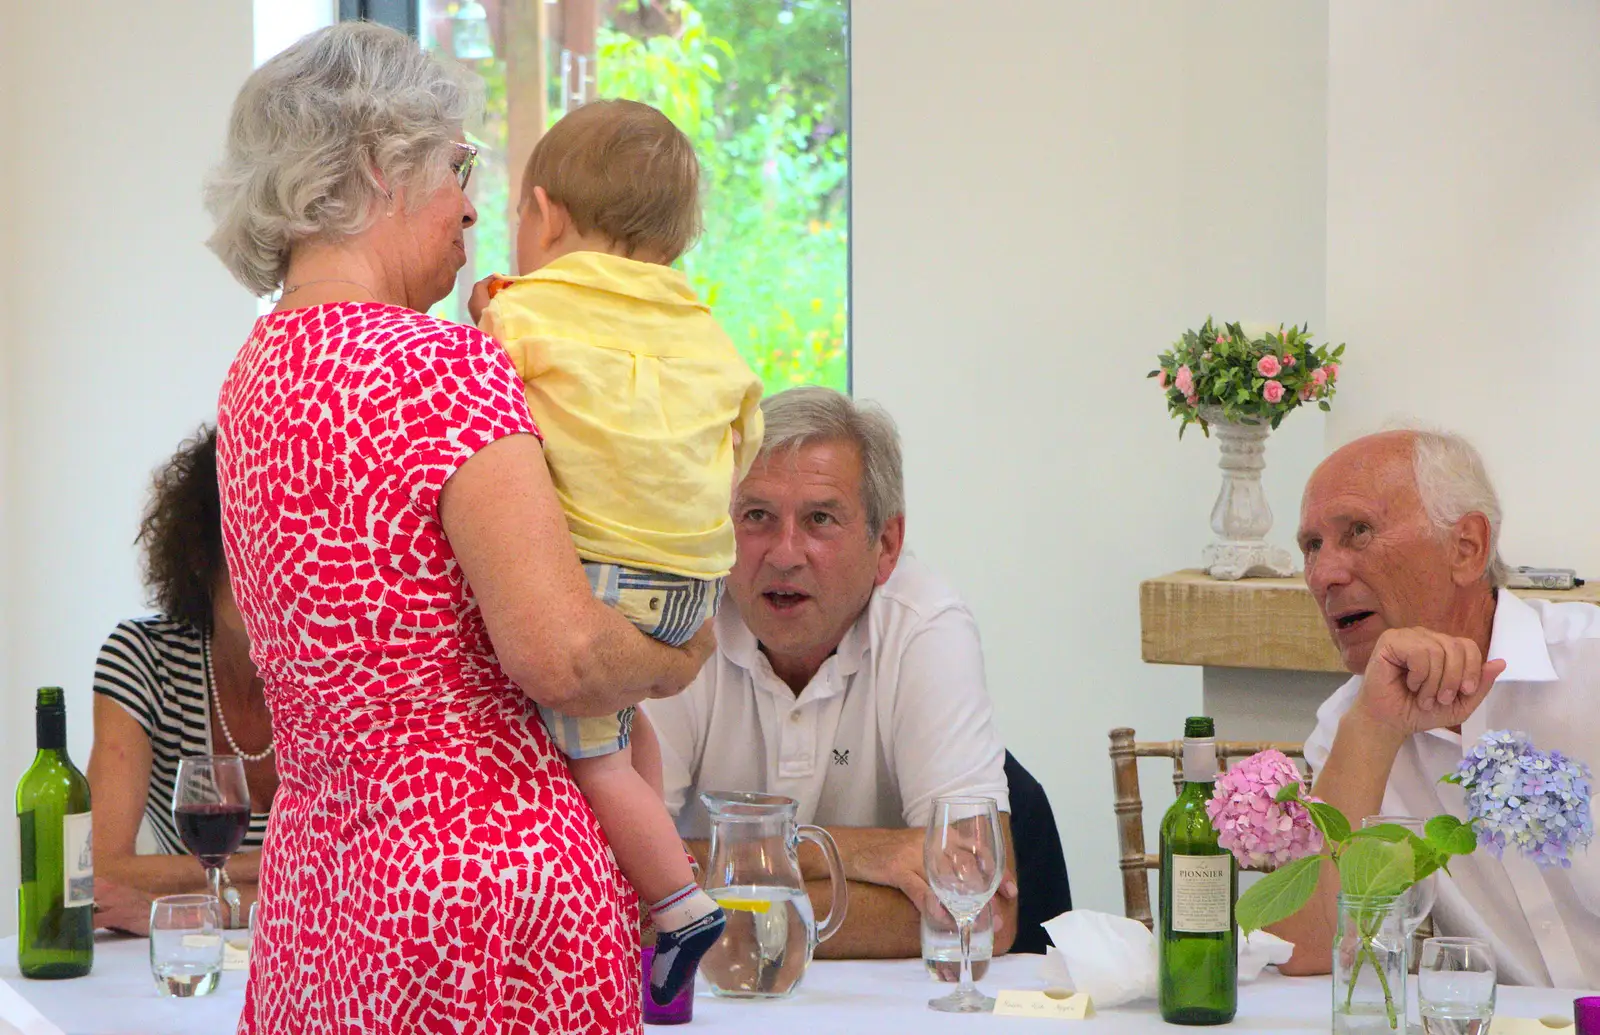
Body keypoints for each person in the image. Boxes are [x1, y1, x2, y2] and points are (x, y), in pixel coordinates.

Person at [205, 23, 713, 1033]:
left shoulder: (255, 377)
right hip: (485, 903)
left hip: (322, 899)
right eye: (455, 165)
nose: (475, 203)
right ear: (375, 170)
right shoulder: (441, 367)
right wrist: (681, 653)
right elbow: (563, 656)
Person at [467, 98, 764, 1004]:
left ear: (547, 214)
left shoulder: (529, 312)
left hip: (605, 567)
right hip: (694, 573)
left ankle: (676, 902)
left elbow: (483, 407)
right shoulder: (701, 323)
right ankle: (656, 845)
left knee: (584, 753)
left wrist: (486, 307)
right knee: (627, 717)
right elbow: (745, 431)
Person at [643, 386, 1020, 959]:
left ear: (885, 545)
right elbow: (609, 888)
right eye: (757, 517)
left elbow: (982, 910)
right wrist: (865, 855)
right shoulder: (684, 618)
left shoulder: (925, 625)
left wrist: (706, 902)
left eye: (820, 519)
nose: (784, 553)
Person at [1274, 429, 1600, 988]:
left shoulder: (1588, 667)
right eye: (1312, 547)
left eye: (1359, 532)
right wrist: (1374, 731)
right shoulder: (1348, 728)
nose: (1324, 575)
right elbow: (1303, 951)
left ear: (1467, 546)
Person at [87, 426, 275, 935]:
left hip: (317, 967)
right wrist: (277, 872)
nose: (276, 581)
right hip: (192, 967)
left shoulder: (343, 669)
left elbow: (356, 887)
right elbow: (99, 874)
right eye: (252, 553)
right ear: (199, 556)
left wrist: (186, 906)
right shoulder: (143, 659)